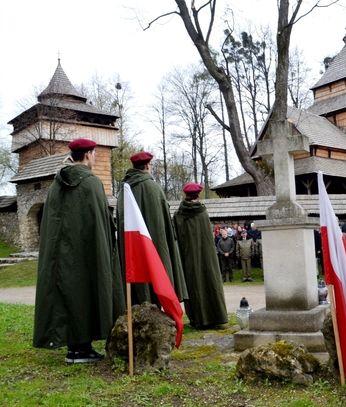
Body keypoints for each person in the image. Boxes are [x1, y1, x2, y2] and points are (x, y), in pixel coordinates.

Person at [33, 138, 125, 363]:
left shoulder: (56, 184)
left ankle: (76, 348)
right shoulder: (91, 183)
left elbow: (51, 222)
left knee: (70, 293)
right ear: (88, 155)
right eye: (94, 154)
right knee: (86, 291)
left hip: (61, 253)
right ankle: (81, 350)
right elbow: (101, 221)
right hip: (87, 251)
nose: (94, 158)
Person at [117, 151, 188, 306]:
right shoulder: (153, 187)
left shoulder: (124, 190)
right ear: (148, 166)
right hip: (153, 244)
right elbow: (161, 226)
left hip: (133, 246)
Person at [172, 182, 228, 329]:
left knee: (193, 284)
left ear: (186, 195)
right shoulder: (202, 212)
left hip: (188, 258)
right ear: (198, 195)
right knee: (209, 281)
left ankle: (197, 320)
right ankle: (216, 318)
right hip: (206, 257)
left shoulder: (179, 215)